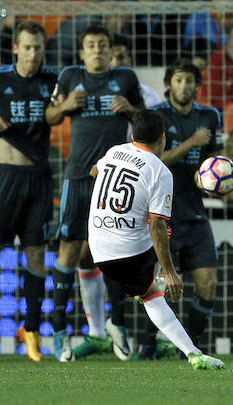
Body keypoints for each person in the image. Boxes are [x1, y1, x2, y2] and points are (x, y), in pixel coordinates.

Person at [87, 109, 224, 370]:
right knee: (163, 241)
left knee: (145, 289)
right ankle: (188, 351)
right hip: (129, 252)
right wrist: (170, 272)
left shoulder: (114, 151)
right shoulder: (160, 171)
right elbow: (158, 227)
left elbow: (94, 171)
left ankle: (127, 321)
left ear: (133, 135)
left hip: (98, 246)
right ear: (163, 138)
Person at [45, 24, 144, 362]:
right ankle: (59, 332)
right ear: (82, 52)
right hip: (79, 178)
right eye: (91, 45)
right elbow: (49, 116)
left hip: (115, 180)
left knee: (116, 254)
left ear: (110, 50)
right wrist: (66, 106)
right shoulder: (71, 76)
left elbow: (148, 122)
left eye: (103, 45)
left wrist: (130, 110)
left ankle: (119, 326)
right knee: (69, 252)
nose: (98, 50)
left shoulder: (126, 78)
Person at [0, 20, 60, 362]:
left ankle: (32, 331)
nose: (33, 54)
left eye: (38, 47)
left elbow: (62, 111)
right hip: (5, 177)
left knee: (37, 256)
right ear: (15, 48)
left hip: (38, 178)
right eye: (27, 47)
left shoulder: (53, 82)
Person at [134, 60, 221, 359]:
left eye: (190, 80)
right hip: (162, 215)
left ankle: (187, 346)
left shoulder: (210, 116)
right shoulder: (157, 117)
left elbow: (214, 160)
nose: (185, 86)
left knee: (208, 283)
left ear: (198, 85)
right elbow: (153, 161)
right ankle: (147, 345)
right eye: (179, 80)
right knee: (157, 287)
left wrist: (212, 176)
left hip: (196, 214)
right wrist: (190, 143)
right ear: (169, 84)